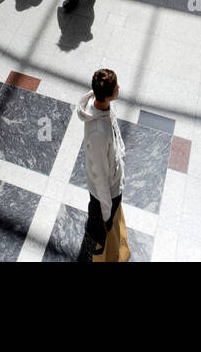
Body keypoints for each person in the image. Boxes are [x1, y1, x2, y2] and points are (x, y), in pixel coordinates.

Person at [77, 69, 128, 263]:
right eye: (116, 87)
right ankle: (96, 244)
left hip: (112, 182)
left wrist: (120, 154)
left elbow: (114, 131)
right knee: (100, 224)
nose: (119, 88)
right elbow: (99, 176)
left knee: (99, 215)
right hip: (105, 194)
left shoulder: (104, 107)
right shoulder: (97, 133)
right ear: (108, 95)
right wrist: (107, 213)